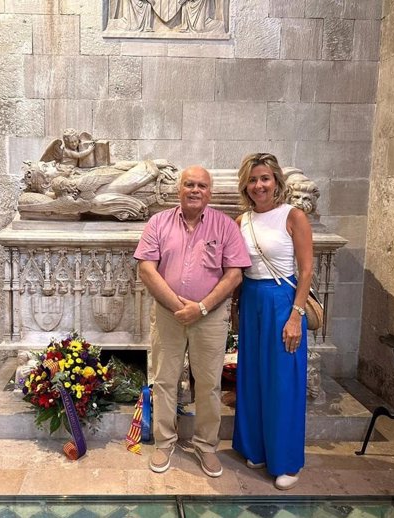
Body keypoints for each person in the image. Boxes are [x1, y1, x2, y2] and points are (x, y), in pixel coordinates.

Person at [134, 165, 250, 477]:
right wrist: (178, 307)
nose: (195, 190)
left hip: (210, 319)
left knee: (210, 385)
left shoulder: (225, 227)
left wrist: (200, 308)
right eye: (189, 184)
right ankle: (164, 442)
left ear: (209, 193)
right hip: (168, 316)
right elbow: (146, 269)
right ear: (179, 190)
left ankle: (206, 446)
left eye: (201, 185)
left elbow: (235, 274)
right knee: (164, 380)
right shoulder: (158, 222)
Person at [232, 153, 313, 490]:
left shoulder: (293, 216)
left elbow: (306, 270)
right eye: (253, 179)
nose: (259, 185)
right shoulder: (242, 221)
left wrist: (296, 315)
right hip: (251, 299)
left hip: (283, 302)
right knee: (252, 376)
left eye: (264, 178)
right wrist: (235, 307)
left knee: (283, 381)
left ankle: (286, 459)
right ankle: (256, 448)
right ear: (245, 185)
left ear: (276, 181)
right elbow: (236, 267)